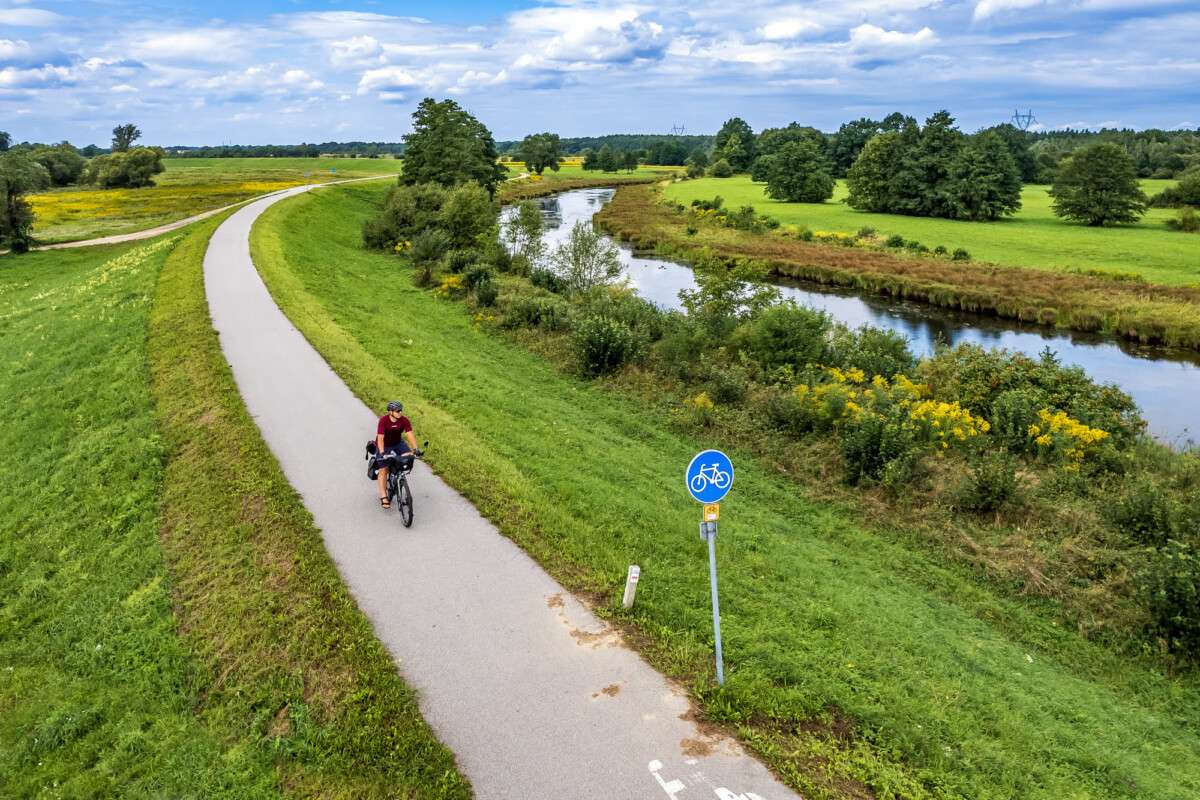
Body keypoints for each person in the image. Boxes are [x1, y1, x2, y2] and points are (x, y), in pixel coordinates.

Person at [374, 400, 419, 508]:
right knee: (383, 470)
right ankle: (384, 495)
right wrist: (382, 452)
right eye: (398, 411)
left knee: (408, 457)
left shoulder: (404, 420)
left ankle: (398, 477)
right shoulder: (383, 421)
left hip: (398, 443)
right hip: (384, 445)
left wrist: (415, 449)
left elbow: (410, 435)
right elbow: (380, 438)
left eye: (401, 410)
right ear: (390, 412)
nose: (400, 412)